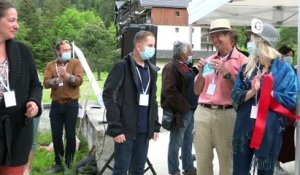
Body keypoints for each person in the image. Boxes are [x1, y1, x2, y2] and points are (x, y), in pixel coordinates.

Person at [231, 23, 298, 175]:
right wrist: (252, 90)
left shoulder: (284, 70)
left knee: (266, 170)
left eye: (253, 39)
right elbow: (235, 96)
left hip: (270, 129)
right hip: (244, 128)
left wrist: (269, 91)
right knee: (239, 171)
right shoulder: (246, 67)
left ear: (263, 43)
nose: (250, 43)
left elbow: (291, 98)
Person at [193, 18, 247, 175]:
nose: (215, 40)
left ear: (230, 35)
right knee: (202, 160)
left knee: (227, 160)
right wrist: (201, 73)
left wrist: (227, 73)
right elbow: (197, 91)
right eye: (212, 36)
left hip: (227, 113)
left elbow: (243, 93)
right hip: (203, 112)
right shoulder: (209, 60)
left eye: (218, 36)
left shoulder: (243, 61)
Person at [103, 30, 160, 175]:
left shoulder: (152, 70)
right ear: (139, 46)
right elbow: (109, 95)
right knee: (121, 169)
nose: (152, 49)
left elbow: (153, 100)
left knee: (138, 170)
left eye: (154, 45)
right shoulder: (122, 66)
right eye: (150, 45)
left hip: (144, 130)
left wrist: (154, 126)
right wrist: (116, 127)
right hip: (125, 130)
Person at [0, 1, 43, 174]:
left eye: (16, 20)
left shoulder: (23, 52)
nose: (16, 25)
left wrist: (34, 102)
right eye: (11, 20)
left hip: (17, 133)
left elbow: (36, 85)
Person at [43, 40, 84, 173]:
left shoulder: (75, 63)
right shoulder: (51, 65)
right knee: (56, 135)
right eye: (64, 50)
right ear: (58, 51)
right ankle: (58, 163)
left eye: (68, 50)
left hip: (71, 104)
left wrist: (66, 76)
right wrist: (57, 80)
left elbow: (79, 81)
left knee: (70, 136)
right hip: (56, 105)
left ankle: (68, 163)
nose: (67, 52)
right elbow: (46, 83)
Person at [161, 41, 198, 175]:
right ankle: (174, 170)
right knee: (176, 142)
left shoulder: (186, 67)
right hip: (181, 112)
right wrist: (185, 107)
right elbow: (169, 91)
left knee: (188, 141)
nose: (191, 53)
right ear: (182, 54)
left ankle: (188, 167)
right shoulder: (171, 67)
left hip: (191, 110)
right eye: (189, 51)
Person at [275, 45, 296, 173]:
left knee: (287, 138)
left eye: (291, 56)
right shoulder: (276, 70)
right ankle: (275, 164)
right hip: (277, 109)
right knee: (277, 137)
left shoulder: (293, 70)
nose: (289, 58)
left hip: (291, 111)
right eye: (287, 56)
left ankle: (279, 163)